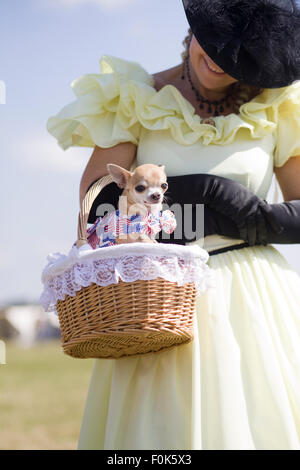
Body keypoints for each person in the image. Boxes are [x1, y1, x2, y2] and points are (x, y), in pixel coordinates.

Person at [47, 0, 300, 450]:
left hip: (254, 299)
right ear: (197, 26)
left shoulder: (277, 108)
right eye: (216, 43)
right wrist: (201, 192)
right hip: (157, 298)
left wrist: (248, 213)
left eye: (240, 54)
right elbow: (99, 206)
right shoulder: (137, 97)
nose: (221, 60)